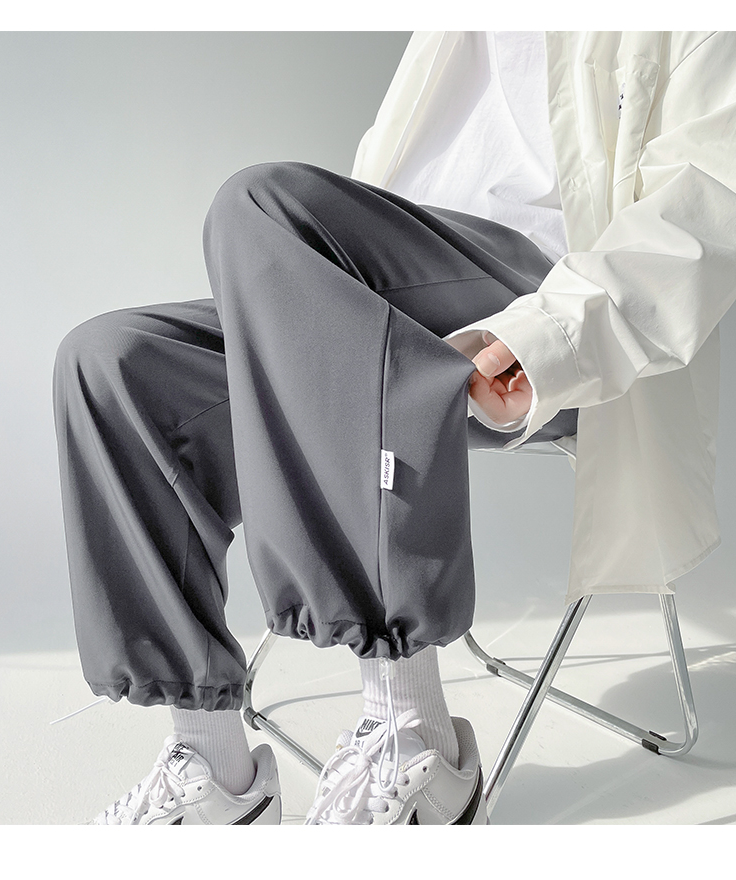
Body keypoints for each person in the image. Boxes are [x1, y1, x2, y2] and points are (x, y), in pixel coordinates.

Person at [53, 31, 736, 825]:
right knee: (114, 362)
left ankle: (416, 740)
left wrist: (544, 334)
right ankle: (215, 772)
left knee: (260, 205)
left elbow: (708, 205)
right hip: (394, 271)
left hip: (552, 299)